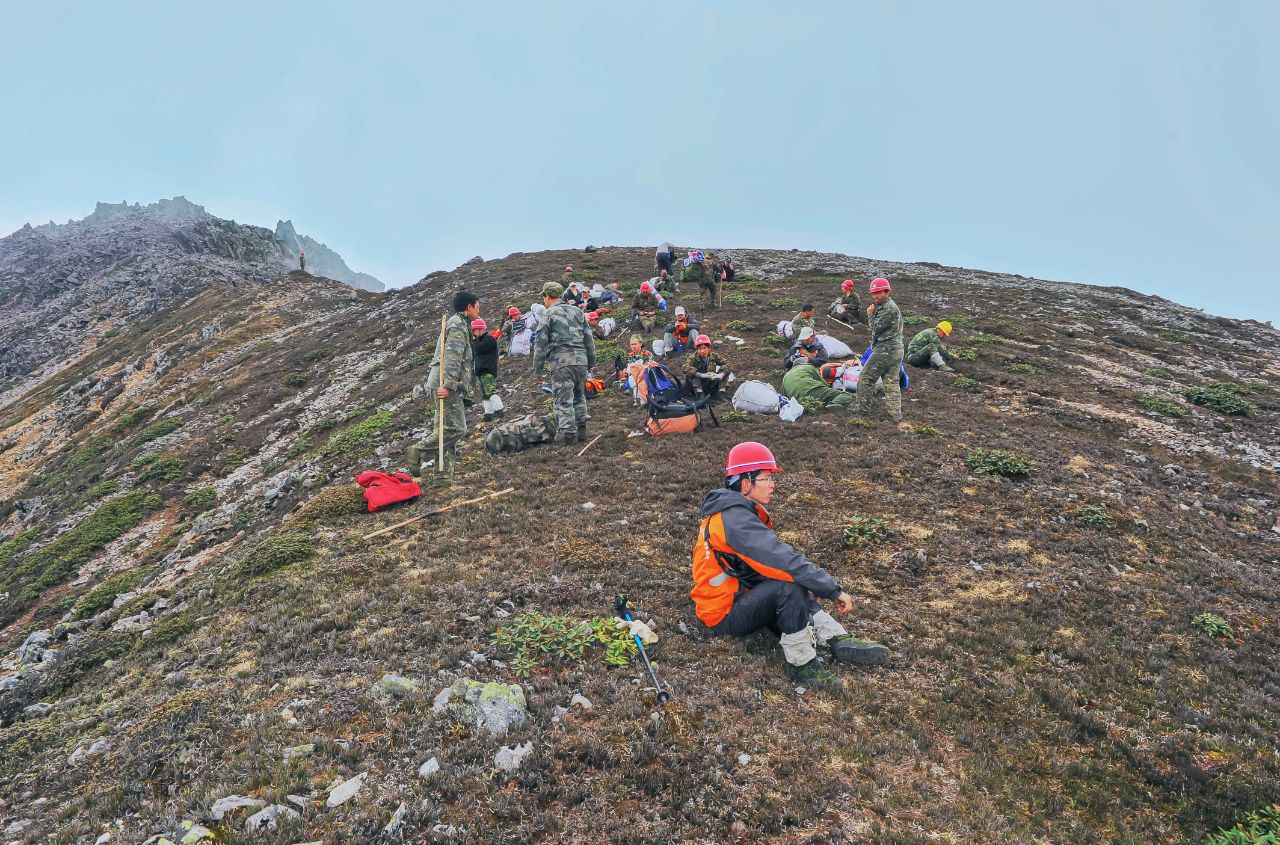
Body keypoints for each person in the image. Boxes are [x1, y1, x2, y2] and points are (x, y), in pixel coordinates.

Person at [691, 442, 889, 690]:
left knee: (793, 580)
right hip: (722, 617)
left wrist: (808, 582)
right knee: (788, 586)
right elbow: (783, 560)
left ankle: (835, 638)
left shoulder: (732, 513)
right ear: (745, 483)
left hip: (737, 598)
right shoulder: (735, 520)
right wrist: (832, 589)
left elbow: (763, 567)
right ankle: (801, 664)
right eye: (765, 478)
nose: (773, 484)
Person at [407, 290, 481, 483]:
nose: (479, 310)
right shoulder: (457, 325)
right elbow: (452, 357)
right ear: (469, 307)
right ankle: (418, 451)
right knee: (456, 429)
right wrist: (448, 385)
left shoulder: (458, 324)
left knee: (445, 428)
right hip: (445, 382)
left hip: (443, 381)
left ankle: (443, 476)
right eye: (478, 306)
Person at [532, 281, 597, 444]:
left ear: (547, 296)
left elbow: (540, 344)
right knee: (579, 396)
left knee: (563, 400)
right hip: (581, 361)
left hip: (561, 363)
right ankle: (582, 431)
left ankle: (569, 436)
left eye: (544, 296)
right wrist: (591, 361)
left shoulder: (548, 314)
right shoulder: (578, 312)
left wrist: (537, 370)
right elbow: (588, 339)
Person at [856, 277, 905, 422]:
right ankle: (895, 415)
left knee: (865, 378)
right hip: (896, 350)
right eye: (873, 293)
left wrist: (870, 314)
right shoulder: (888, 306)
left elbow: (876, 328)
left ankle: (862, 411)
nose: (875, 296)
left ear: (887, 292)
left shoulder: (888, 308)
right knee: (891, 382)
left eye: (878, 293)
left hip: (885, 350)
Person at [782, 362, 852, 409]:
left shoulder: (786, 376)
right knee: (846, 395)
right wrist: (828, 390)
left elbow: (783, 396)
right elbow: (821, 380)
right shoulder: (809, 367)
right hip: (810, 388)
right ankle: (831, 405)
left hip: (796, 398)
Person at [683, 334, 732, 402]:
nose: (702, 351)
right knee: (694, 374)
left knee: (726, 371)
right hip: (697, 384)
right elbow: (685, 367)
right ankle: (700, 395)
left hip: (710, 381)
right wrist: (701, 375)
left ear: (709, 348)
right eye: (700, 349)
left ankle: (721, 393)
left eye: (704, 348)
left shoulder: (714, 356)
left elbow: (729, 364)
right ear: (697, 349)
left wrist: (721, 375)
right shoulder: (693, 357)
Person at [471, 318, 502, 421]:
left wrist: (473, 342)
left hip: (487, 369)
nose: (473, 333)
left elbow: (478, 349)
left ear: (480, 329)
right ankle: (488, 413)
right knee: (484, 394)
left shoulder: (489, 339)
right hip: (481, 371)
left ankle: (499, 409)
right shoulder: (481, 340)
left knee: (490, 391)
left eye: (474, 331)